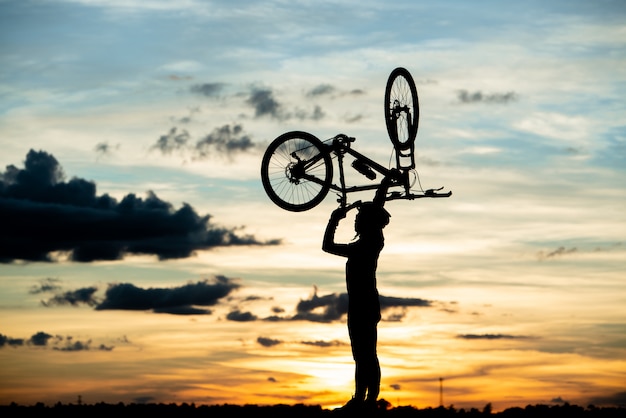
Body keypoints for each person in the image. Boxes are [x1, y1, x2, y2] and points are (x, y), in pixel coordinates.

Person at [322, 178, 392, 411]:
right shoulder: (369, 241)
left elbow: (327, 245)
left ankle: (366, 399)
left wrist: (334, 219)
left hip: (365, 305)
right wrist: (383, 185)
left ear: (367, 224)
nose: (355, 221)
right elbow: (376, 206)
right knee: (363, 354)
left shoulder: (368, 244)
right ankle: (363, 397)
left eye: (358, 219)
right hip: (362, 304)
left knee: (365, 354)